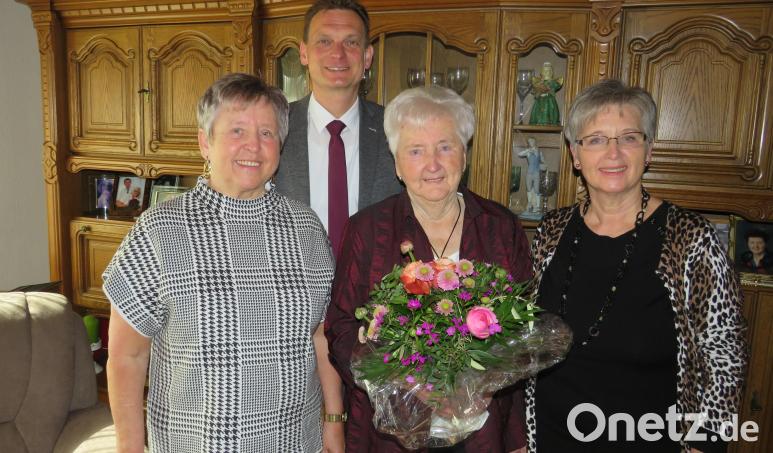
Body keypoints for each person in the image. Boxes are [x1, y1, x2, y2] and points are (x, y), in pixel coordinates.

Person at [103, 73, 344, 453]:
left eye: (267, 133)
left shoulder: (307, 228)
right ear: (205, 142)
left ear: (280, 145)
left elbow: (321, 336)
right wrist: (130, 447)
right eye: (236, 130)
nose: (253, 145)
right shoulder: (160, 230)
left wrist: (333, 422)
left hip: (297, 443)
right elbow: (127, 355)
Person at [526, 79, 747, 452]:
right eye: (595, 139)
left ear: (648, 151)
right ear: (575, 154)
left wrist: (706, 443)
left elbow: (725, 354)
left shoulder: (690, 237)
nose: (613, 153)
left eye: (628, 138)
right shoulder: (552, 228)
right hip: (551, 436)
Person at [326, 86, 530, 453]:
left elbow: (523, 333)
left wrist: (512, 434)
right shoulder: (367, 230)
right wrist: (400, 381)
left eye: (445, 147)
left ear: (464, 155)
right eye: (416, 151)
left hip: (482, 434)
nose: (432, 164)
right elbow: (340, 329)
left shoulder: (501, 228)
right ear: (397, 164)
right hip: (389, 436)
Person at [274, 0, 401, 256]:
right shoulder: (272, 127)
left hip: (376, 290)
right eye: (324, 41)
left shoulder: (398, 129)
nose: (338, 53)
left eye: (351, 42)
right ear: (304, 53)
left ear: (367, 56)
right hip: (292, 291)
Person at [528, 62, 563, 126]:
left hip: (549, 100)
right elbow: (535, 90)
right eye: (545, 71)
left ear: (551, 72)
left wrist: (548, 88)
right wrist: (539, 89)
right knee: (538, 110)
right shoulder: (538, 82)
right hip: (540, 100)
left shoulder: (553, 82)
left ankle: (551, 121)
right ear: (542, 72)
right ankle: (537, 121)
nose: (547, 73)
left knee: (549, 109)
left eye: (549, 71)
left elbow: (555, 86)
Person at [517, 137, 544, 215]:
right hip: (529, 172)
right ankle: (530, 204)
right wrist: (528, 150)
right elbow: (519, 154)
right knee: (528, 189)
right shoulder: (528, 152)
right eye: (529, 142)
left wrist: (541, 160)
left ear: (535, 142)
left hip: (536, 172)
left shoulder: (539, 151)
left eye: (531, 141)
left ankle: (537, 207)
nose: (530, 143)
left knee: (536, 189)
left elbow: (543, 161)